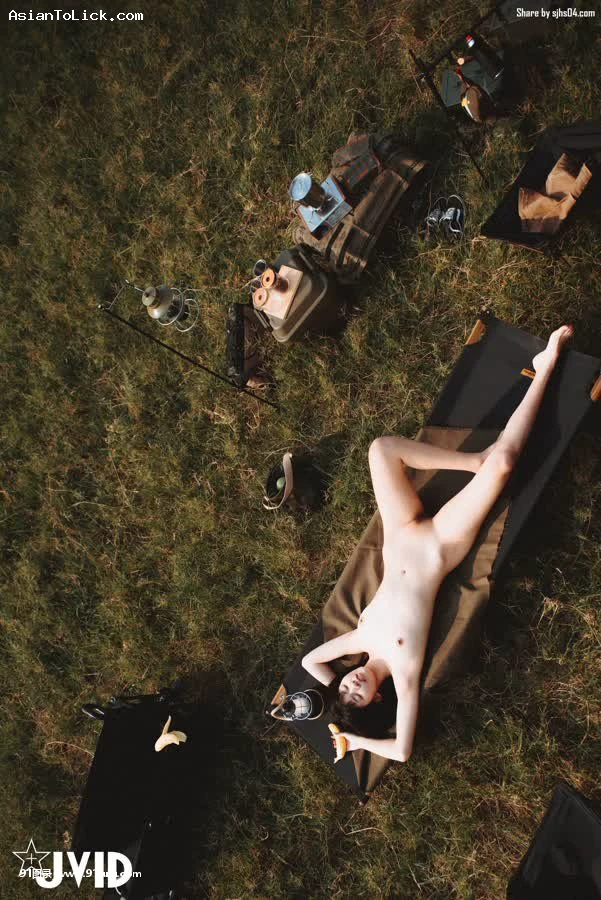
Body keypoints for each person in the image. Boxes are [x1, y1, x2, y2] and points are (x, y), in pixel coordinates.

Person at [302, 325, 573, 763]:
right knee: (504, 463)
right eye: (357, 699)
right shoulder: (405, 672)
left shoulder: (357, 641)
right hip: (440, 545)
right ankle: (545, 369)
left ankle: (471, 461)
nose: (352, 687)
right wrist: (356, 740)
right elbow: (403, 751)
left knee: (381, 450)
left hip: (400, 532)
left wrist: (332, 700)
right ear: (375, 701)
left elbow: (309, 663)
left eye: (344, 689)